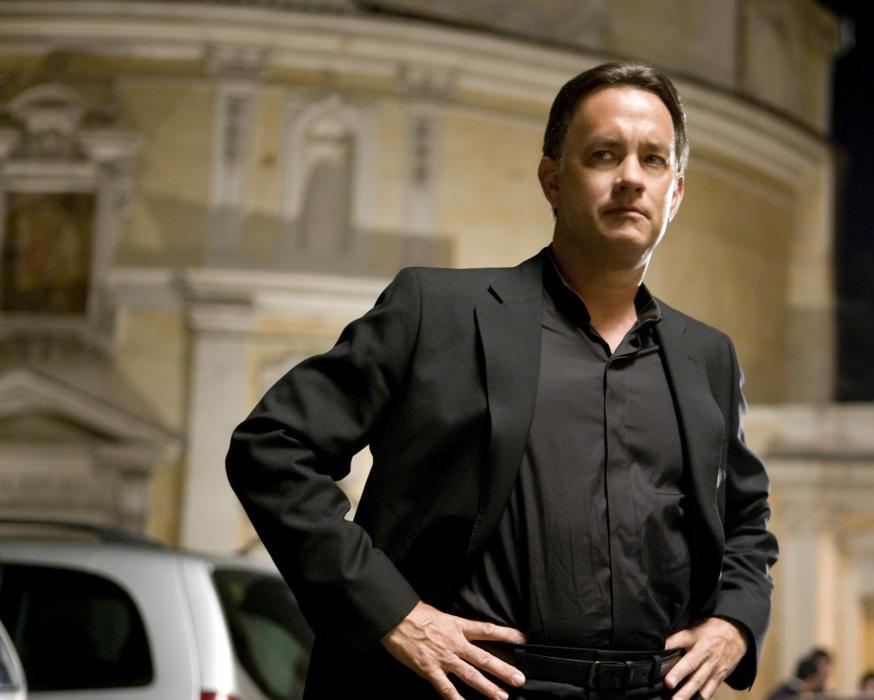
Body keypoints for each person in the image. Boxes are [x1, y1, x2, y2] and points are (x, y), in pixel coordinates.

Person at [226, 61, 779, 700]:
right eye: (604, 154)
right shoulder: (436, 313)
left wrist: (736, 622)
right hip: (467, 690)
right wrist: (392, 613)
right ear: (553, 180)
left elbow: (746, 520)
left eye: (653, 160)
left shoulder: (706, 355)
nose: (631, 177)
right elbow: (273, 448)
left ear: (674, 193)